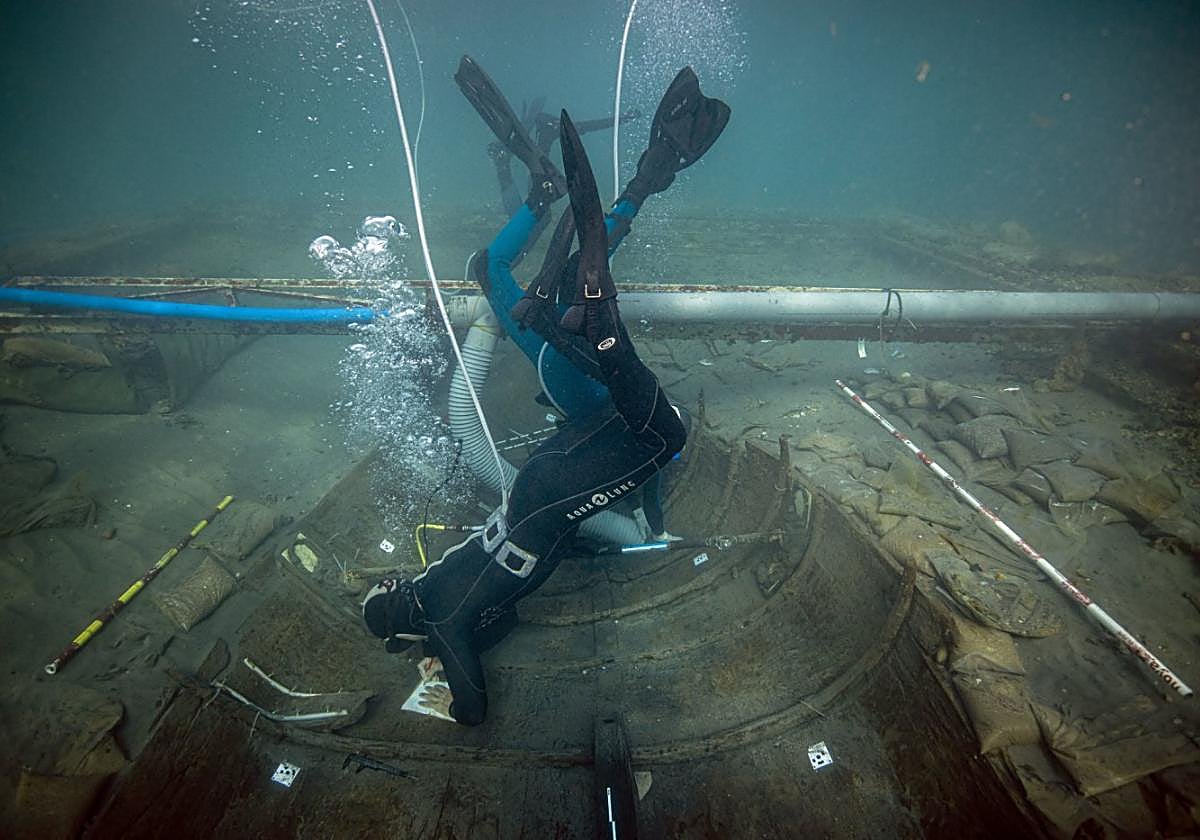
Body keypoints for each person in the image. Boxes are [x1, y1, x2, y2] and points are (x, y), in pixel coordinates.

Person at [362, 71, 730, 727]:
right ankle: (639, 186)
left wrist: (445, 664)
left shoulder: (446, 620)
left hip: (552, 492)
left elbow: (474, 705)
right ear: (397, 594)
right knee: (549, 298)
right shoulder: (437, 595)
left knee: (635, 418)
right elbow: (488, 611)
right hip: (537, 484)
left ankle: (596, 306)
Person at [455, 55, 728, 539]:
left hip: (578, 357)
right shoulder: (646, 440)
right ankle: (552, 194)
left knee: (579, 266)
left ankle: (628, 190)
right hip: (558, 362)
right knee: (505, 268)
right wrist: (652, 523)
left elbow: (648, 463)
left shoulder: (650, 420)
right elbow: (638, 471)